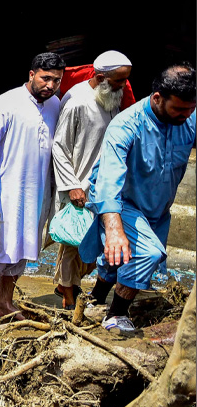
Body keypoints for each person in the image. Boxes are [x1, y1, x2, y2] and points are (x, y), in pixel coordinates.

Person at [79, 64, 195, 333]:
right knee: (147, 253)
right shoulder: (126, 125)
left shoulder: (187, 117)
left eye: (191, 110)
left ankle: (94, 300)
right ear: (157, 98)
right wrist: (114, 228)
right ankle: (116, 315)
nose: (186, 116)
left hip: (157, 207)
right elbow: (108, 182)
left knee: (118, 257)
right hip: (122, 203)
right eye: (179, 110)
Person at [0, 52, 64, 326]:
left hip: (36, 195)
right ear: (32, 75)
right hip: (4, 194)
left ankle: (4, 302)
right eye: (46, 78)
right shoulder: (6, 102)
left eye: (56, 80)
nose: (50, 85)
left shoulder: (56, 104)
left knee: (22, 250)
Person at [50, 50, 133, 308]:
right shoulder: (77, 101)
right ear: (100, 77)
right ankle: (67, 293)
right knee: (72, 243)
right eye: (119, 81)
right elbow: (59, 146)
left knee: (89, 243)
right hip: (77, 185)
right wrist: (73, 186)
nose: (123, 87)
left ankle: (66, 284)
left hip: (100, 185)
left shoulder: (111, 98)